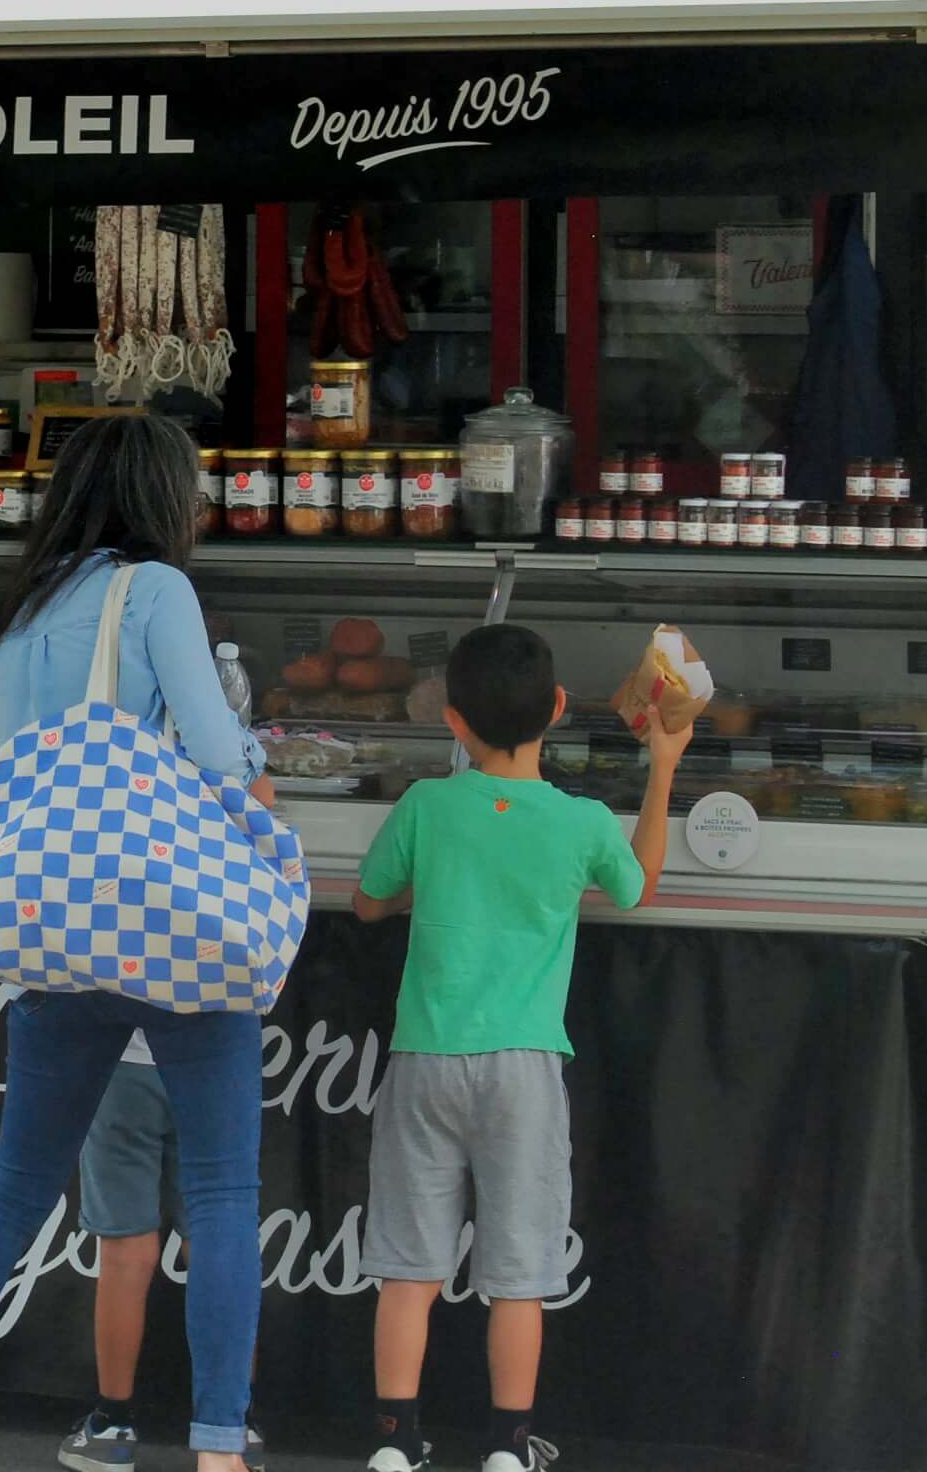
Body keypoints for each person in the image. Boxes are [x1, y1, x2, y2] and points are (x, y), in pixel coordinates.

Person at [0, 415, 275, 1472]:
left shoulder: (16, 614)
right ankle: (220, 1446)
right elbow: (221, 764)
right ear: (157, 496)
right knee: (224, 1194)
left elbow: (14, 773)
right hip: (171, 928)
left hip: (53, 939)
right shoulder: (156, 594)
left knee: (11, 1188)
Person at [351, 623, 689, 1472]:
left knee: (409, 1269)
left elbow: (366, 903)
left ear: (453, 722)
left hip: (426, 1057)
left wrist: (424, 890)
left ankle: (396, 1444)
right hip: (527, 1070)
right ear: (561, 711)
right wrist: (664, 770)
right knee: (519, 1274)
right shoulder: (576, 822)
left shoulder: (426, 805)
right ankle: (506, 1448)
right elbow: (639, 888)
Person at [58, 1054, 268, 1472]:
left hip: (123, 1055)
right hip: (215, 1057)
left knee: (126, 1253)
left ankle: (112, 1427)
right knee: (219, 1243)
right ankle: (235, 1430)